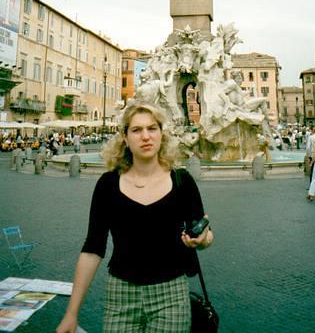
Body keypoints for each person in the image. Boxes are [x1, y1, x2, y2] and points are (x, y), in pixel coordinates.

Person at [56, 103, 213, 333]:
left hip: (171, 294)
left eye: (152, 128)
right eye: (137, 130)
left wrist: (203, 240)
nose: (146, 136)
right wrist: (71, 313)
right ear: (125, 138)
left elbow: (205, 236)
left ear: (162, 134)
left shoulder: (182, 181)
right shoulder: (108, 185)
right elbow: (92, 248)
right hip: (120, 295)